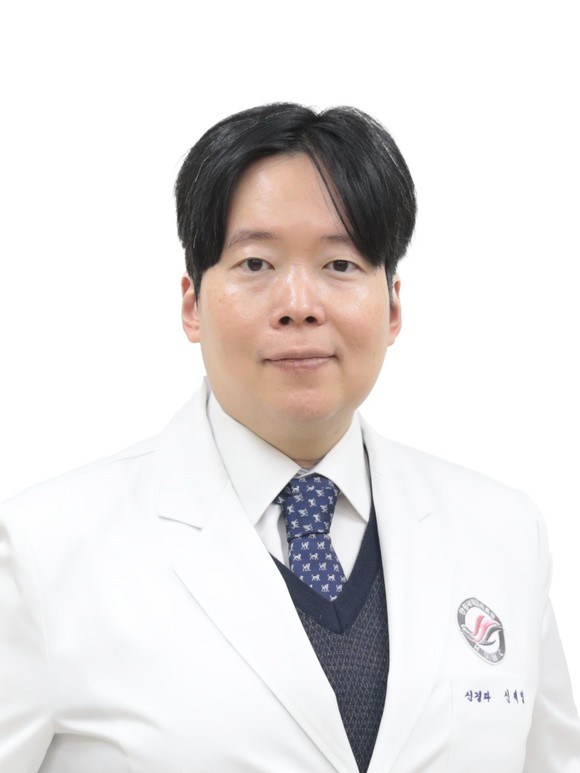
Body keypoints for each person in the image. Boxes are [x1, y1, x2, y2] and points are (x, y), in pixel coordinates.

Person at [1, 103, 579, 773]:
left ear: (393, 306)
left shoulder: (504, 534)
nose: (299, 304)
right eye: (256, 263)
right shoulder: (46, 551)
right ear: (191, 304)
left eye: (340, 264)